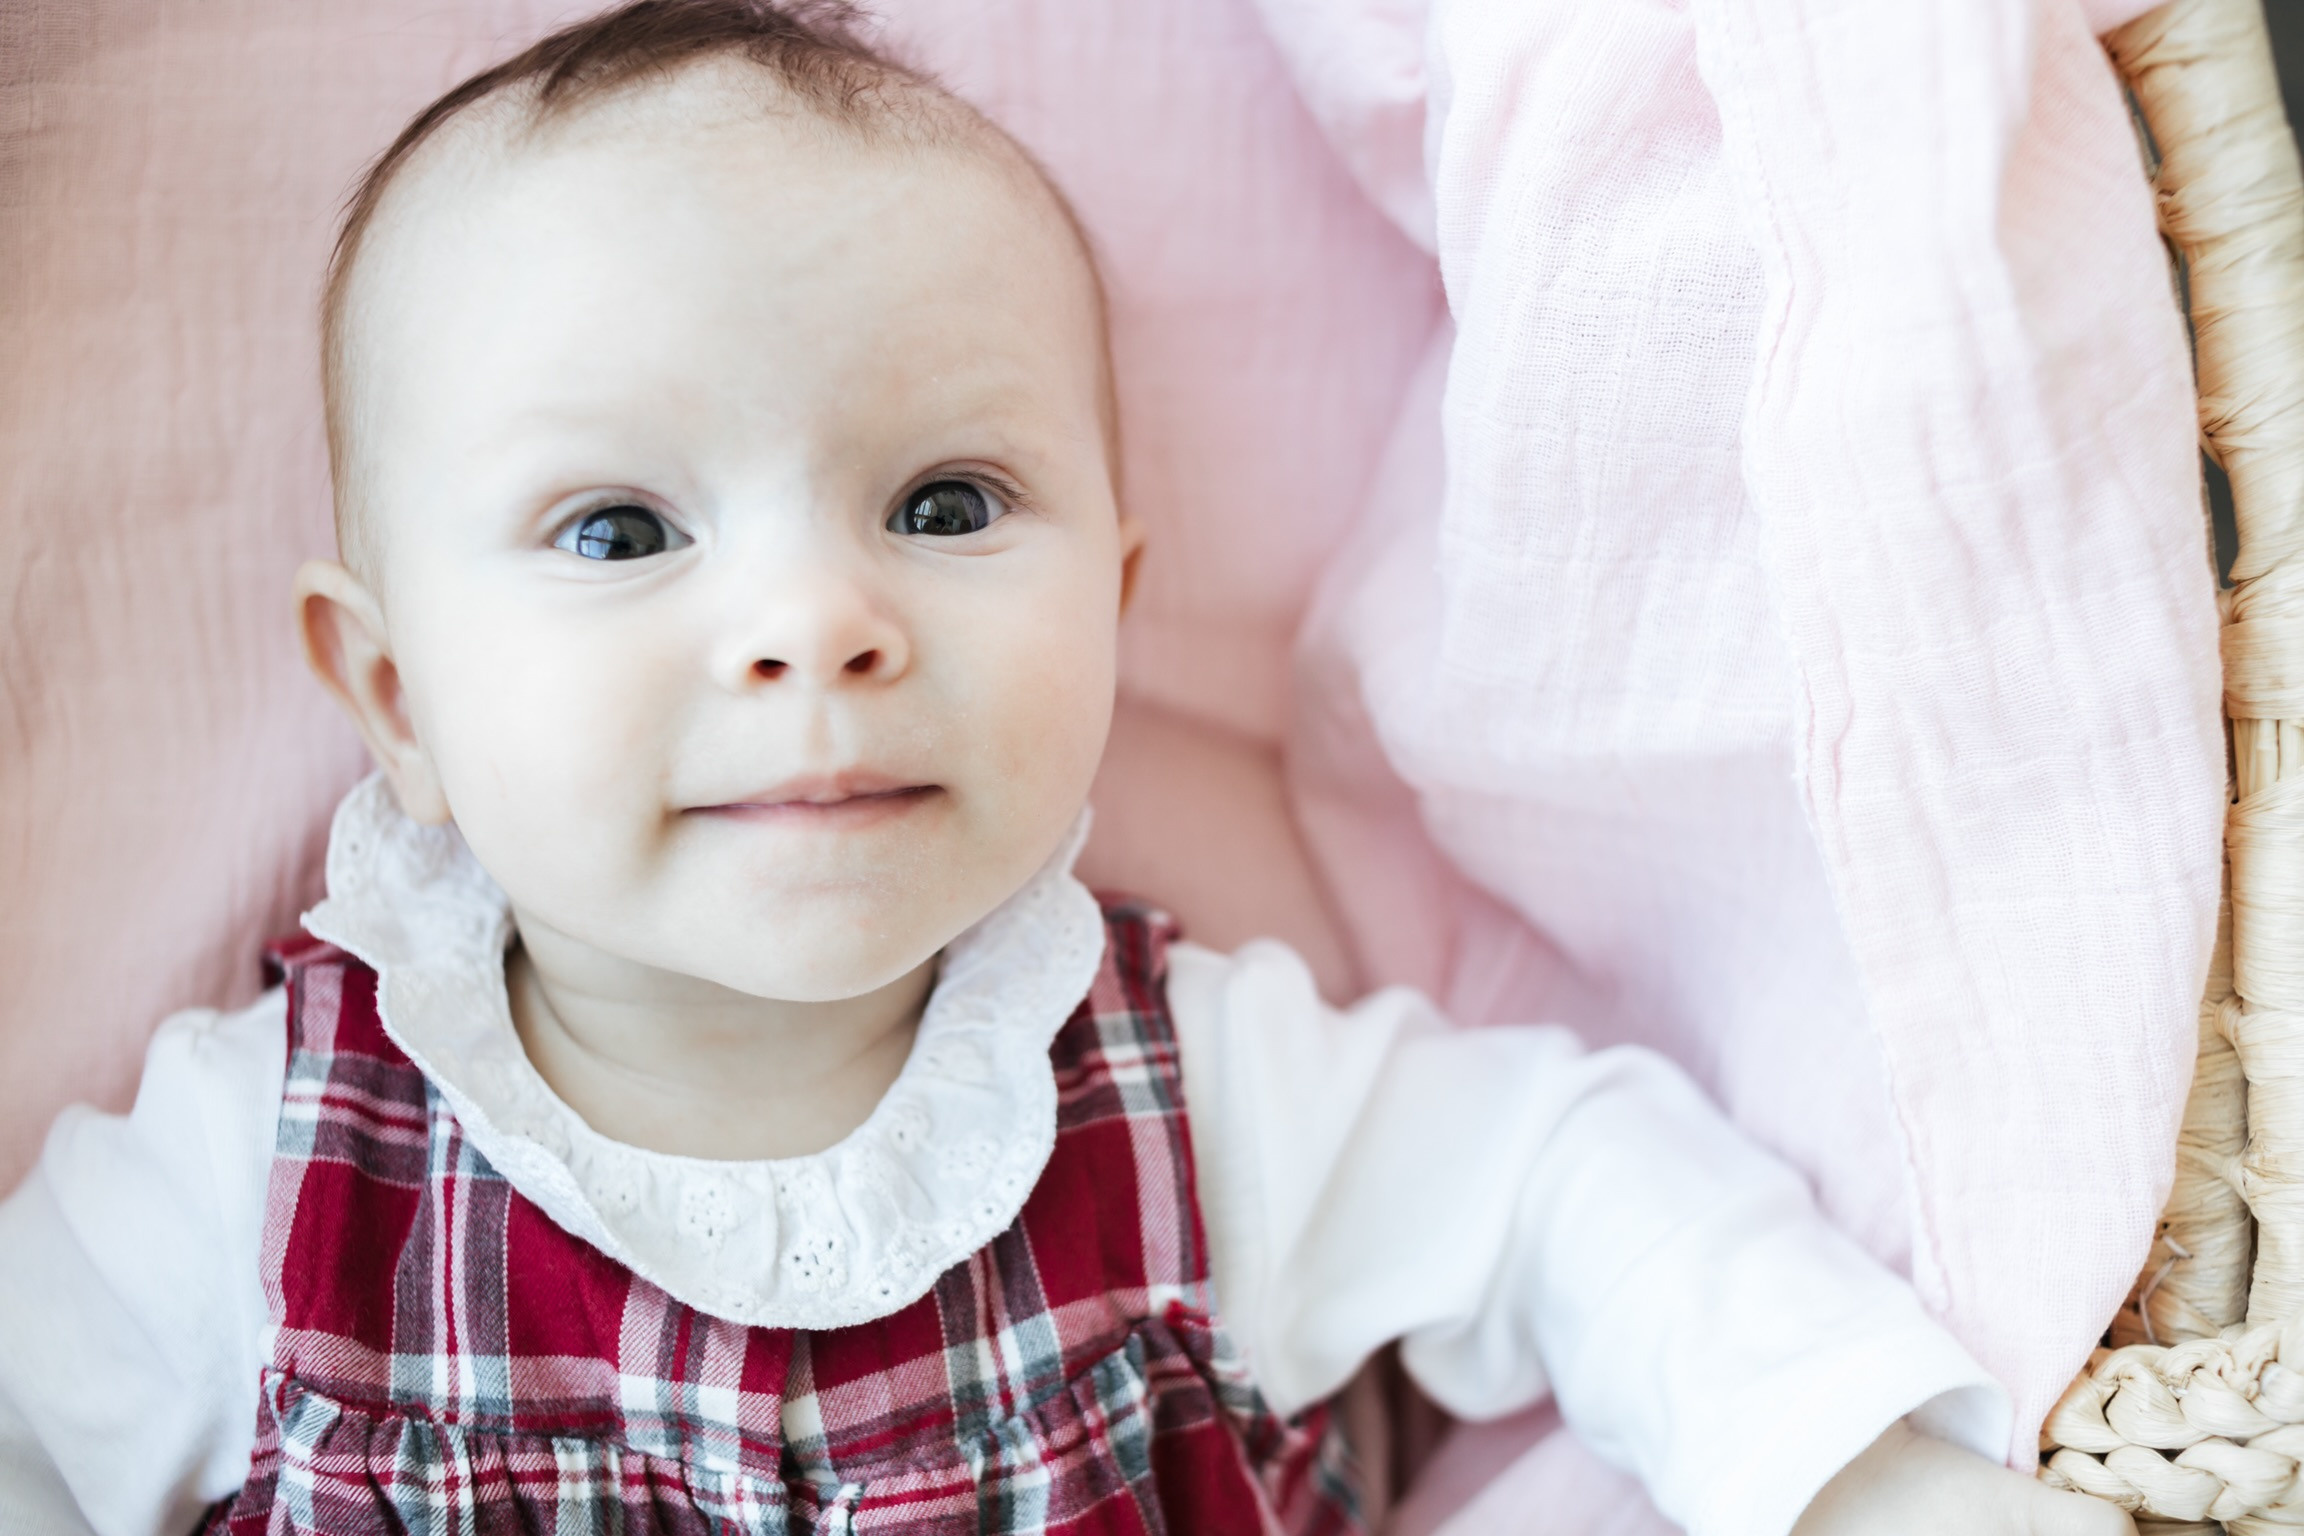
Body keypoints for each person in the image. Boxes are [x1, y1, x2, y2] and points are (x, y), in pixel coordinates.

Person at [0, 3, 2134, 1533]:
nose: (816, 623)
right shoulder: (259, 1182)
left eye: (942, 504)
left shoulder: (1185, 1096)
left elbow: (1572, 1194)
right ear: (394, 700)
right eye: (623, 533)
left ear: (1114, 601)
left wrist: (1854, 1469)